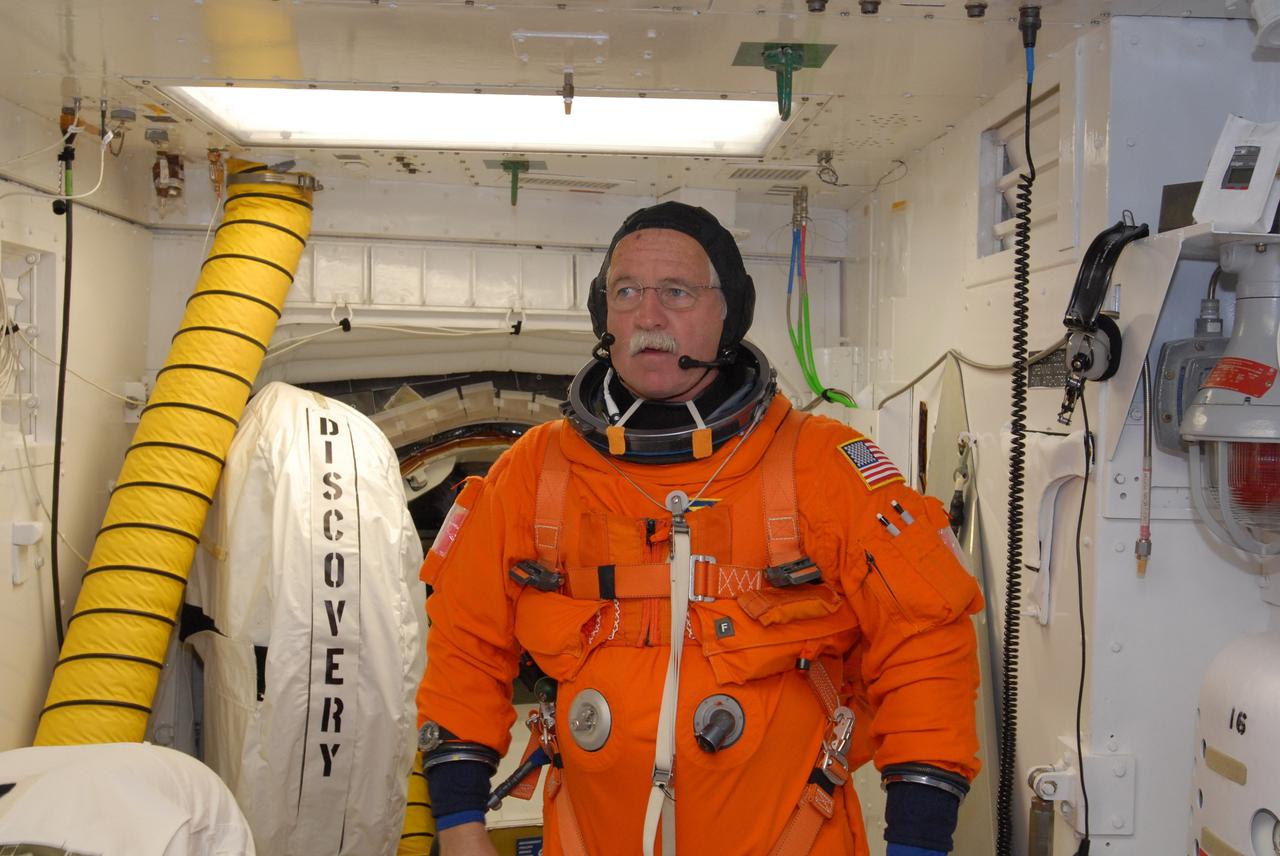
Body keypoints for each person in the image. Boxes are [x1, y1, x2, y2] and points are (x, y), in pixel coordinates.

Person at [416, 202, 983, 856]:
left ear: (730, 313)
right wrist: (460, 827)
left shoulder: (821, 466)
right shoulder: (536, 475)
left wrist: (918, 842)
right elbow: (465, 643)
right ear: (604, 313)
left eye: (677, 293)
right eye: (626, 292)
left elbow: (925, 642)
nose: (648, 317)